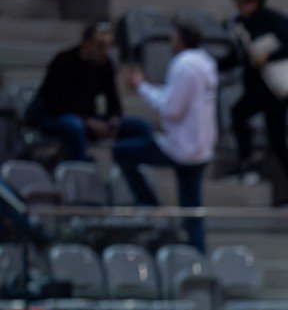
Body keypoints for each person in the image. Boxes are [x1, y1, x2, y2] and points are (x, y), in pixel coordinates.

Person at [115, 21, 217, 252]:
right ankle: (197, 254)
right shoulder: (206, 62)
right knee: (191, 210)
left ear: (180, 41)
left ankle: (148, 203)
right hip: (201, 148)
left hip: (180, 147)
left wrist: (141, 87)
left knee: (121, 151)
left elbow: (171, 109)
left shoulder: (183, 65)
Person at [224, 0, 288, 203]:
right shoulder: (240, 24)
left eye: (243, 0)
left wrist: (269, 55)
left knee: (240, 113)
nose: (240, 5)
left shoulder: (273, 20)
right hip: (256, 86)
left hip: (276, 87)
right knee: (278, 141)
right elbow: (238, 56)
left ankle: (247, 164)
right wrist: (211, 63)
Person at [29, 22, 122, 163]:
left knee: (135, 126)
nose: (105, 51)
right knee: (75, 125)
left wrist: (112, 122)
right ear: (87, 44)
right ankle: (79, 169)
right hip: (51, 116)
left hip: (86, 117)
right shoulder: (64, 60)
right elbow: (55, 103)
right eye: (100, 46)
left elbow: (113, 101)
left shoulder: (105, 65)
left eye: (108, 46)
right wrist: (88, 121)